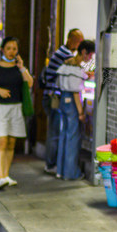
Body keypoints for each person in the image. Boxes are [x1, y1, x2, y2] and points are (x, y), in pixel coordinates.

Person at [0, 36, 34, 190]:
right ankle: (0, 177)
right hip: (0, 108)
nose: (11, 52)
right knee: (2, 142)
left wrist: (22, 67)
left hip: (16, 108)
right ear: (3, 49)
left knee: (11, 143)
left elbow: (30, 83)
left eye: (14, 49)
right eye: (9, 48)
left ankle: (6, 175)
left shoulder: (19, 68)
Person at [40, 29, 83, 175]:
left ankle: (54, 164)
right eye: (78, 40)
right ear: (70, 39)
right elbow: (76, 73)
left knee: (57, 132)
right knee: (55, 132)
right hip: (55, 99)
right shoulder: (66, 55)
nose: (79, 44)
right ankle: (51, 164)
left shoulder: (60, 51)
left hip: (51, 97)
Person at [54, 40, 95, 180]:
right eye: (90, 55)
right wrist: (81, 112)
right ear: (84, 52)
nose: (90, 58)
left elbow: (60, 83)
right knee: (73, 138)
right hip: (72, 103)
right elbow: (75, 92)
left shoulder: (66, 63)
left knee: (64, 135)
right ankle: (71, 173)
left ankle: (61, 170)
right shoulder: (77, 68)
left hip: (62, 102)